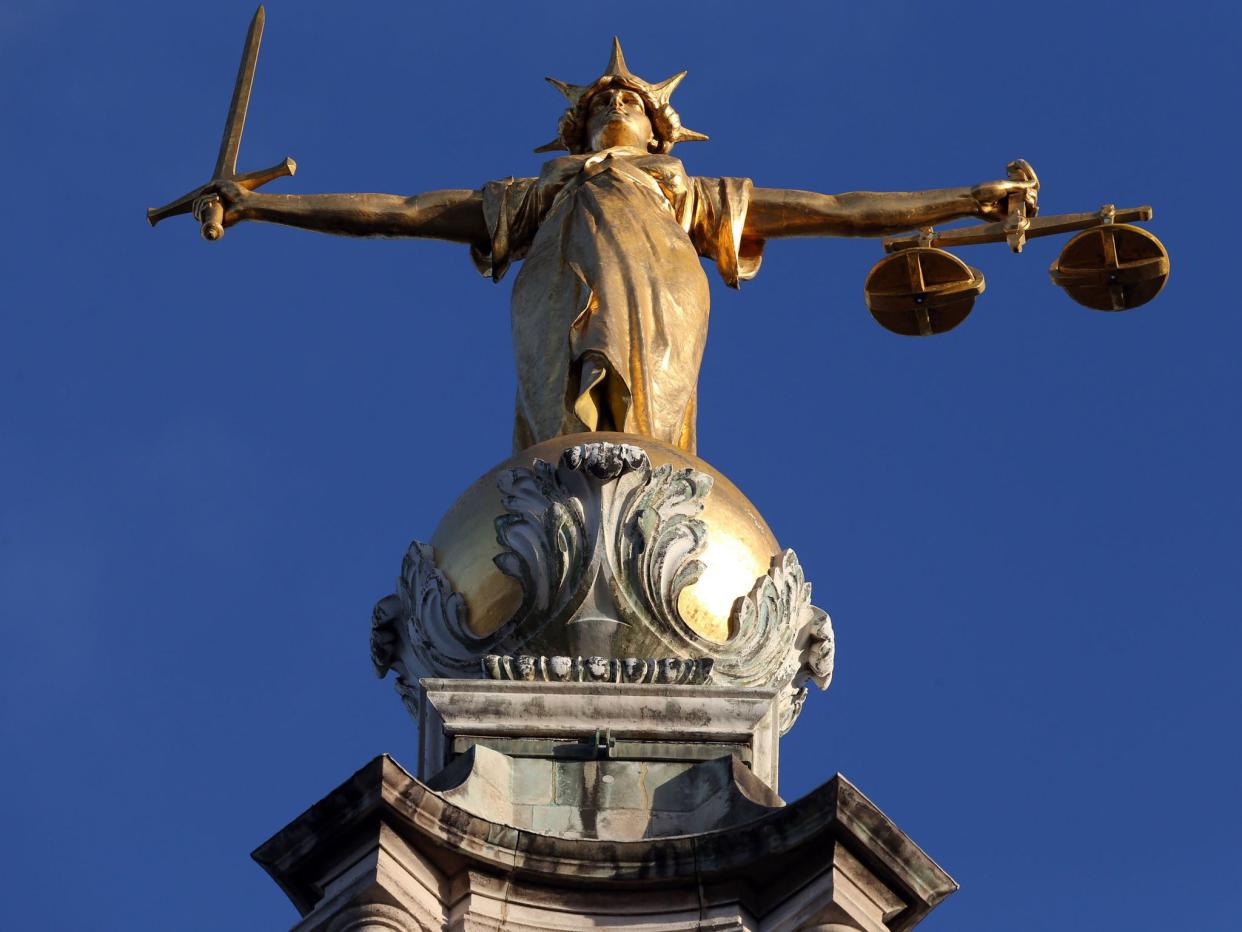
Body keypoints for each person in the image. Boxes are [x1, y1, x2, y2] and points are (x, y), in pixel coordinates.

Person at [202, 40, 1037, 454]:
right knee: (563, 426)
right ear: (574, 128)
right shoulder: (539, 193)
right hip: (556, 293)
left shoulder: (685, 192)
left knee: (647, 439)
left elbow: (835, 207)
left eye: (628, 100)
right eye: (601, 100)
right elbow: (405, 211)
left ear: (660, 126)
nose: (613, 102)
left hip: (663, 291)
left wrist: (969, 197)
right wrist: (264, 209)